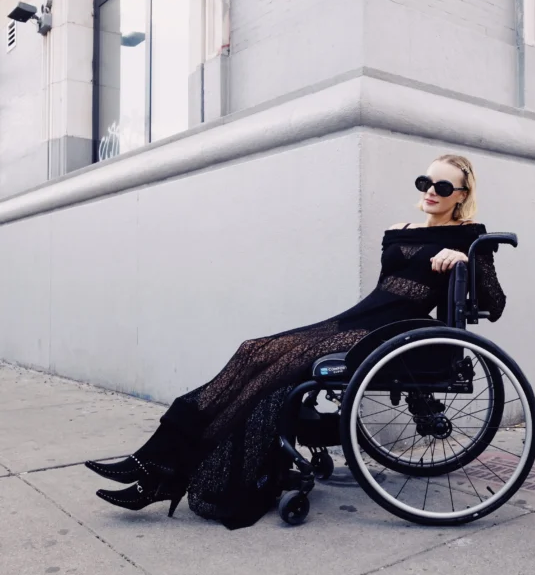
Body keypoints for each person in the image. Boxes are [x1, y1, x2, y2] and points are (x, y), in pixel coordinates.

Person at [85, 153, 506, 528]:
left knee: (268, 374)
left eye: (443, 186)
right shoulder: (399, 229)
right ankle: (163, 465)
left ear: (462, 194)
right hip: (357, 318)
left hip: (391, 333)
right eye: (425, 182)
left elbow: (494, 302)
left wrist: (464, 261)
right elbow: (385, 286)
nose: (431, 191)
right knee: (253, 351)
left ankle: (163, 468)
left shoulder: (469, 236)